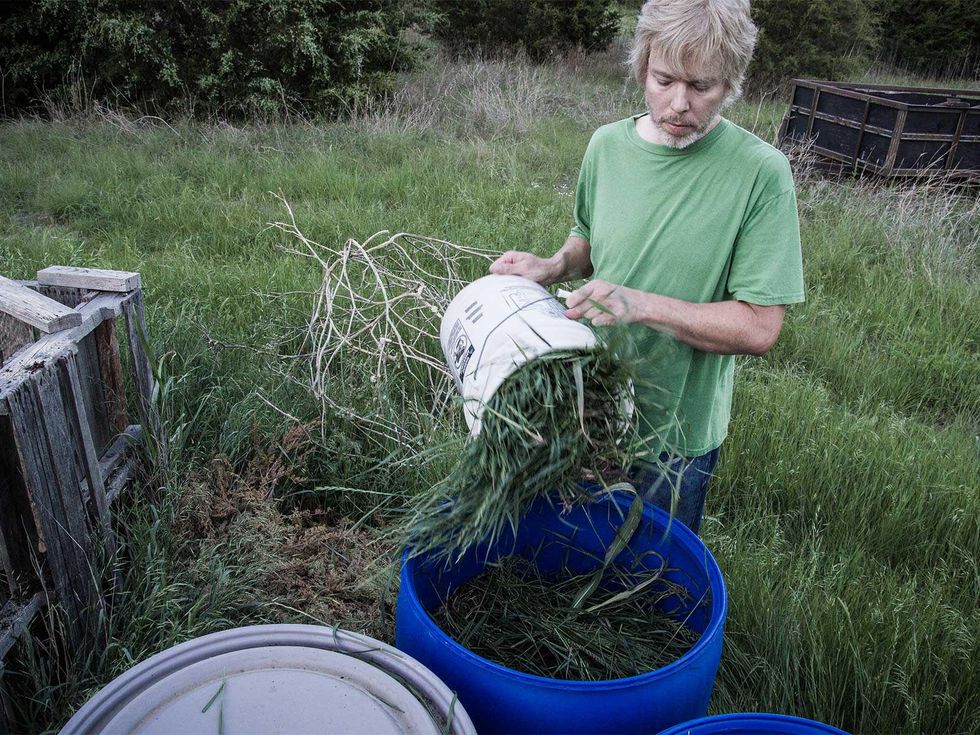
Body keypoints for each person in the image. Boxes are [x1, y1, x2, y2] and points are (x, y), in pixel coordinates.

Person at [489, 0, 804, 534]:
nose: (678, 103)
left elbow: (759, 327)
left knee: (650, 577)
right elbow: (589, 236)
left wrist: (640, 305)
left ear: (730, 83)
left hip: (674, 434)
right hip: (585, 405)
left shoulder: (761, 173)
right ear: (642, 68)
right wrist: (554, 265)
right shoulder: (607, 146)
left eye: (701, 86)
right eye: (663, 80)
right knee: (570, 552)